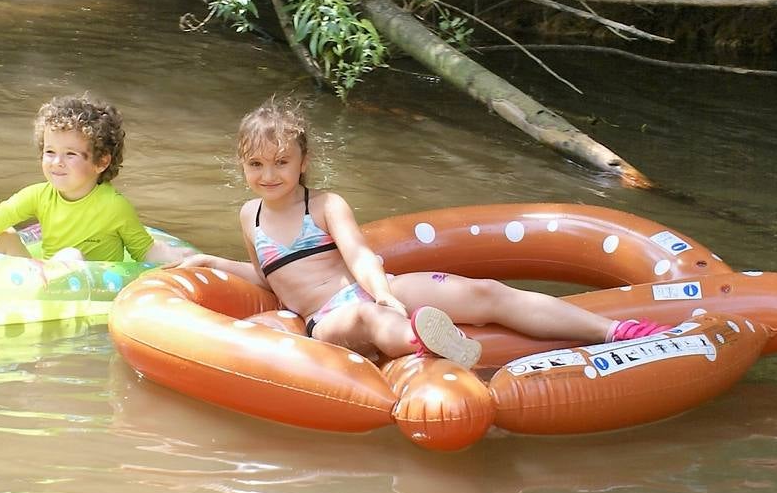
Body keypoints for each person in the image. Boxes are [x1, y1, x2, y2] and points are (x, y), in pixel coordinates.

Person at [177, 97, 664, 366]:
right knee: (366, 322)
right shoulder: (250, 217)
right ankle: (423, 342)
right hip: (327, 318)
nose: (269, 174)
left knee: (486, 291)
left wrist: (383, 292)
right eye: (257, 164)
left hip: (366, 288)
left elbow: (362, 256)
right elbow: (272, 280)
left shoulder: (324, 205)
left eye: (282, 162)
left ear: (303, 162)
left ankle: (614, 331)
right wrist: (215, 263)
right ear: (242, 166)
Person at [0, 93, 184, 279]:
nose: (57, 162)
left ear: (101, 161)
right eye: (50, 151)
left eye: (70, 155)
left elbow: (145, 252)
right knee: (6, 236)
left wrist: (187, 263)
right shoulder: (38, 195)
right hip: (43, 278)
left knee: (70, 255)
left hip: (88, 285)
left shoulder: (114, 206)